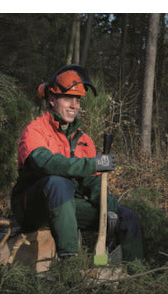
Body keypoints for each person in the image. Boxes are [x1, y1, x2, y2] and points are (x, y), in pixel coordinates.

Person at [11, 64, 143, 262]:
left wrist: (110, 209)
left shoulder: (84, 140)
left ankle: (133, 274)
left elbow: (94, 183)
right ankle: (71, 264)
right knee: (58, 183)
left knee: (128, 218)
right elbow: (46, 163)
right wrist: (92, 164)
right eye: (68, 98)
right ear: (52, 99)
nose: (74, 105)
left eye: (78, 100)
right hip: (32, 207)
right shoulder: (35, 130)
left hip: (67, 207)